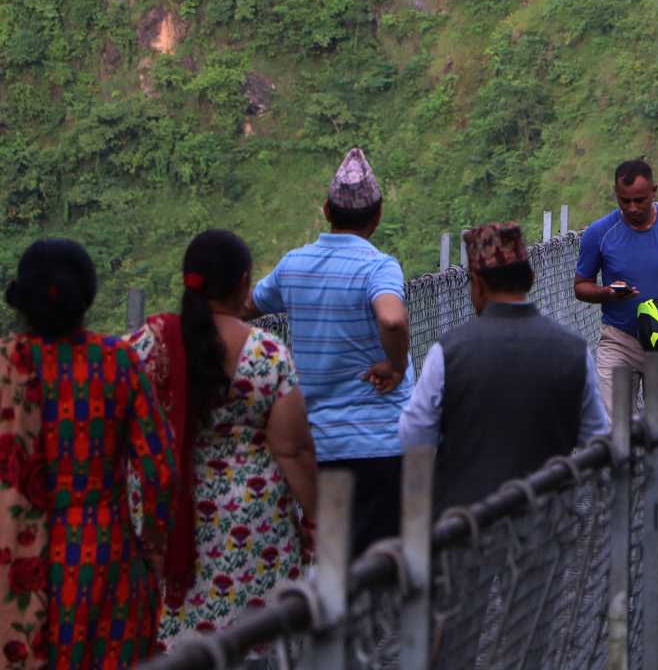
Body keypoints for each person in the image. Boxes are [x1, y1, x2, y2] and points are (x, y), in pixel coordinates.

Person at [127, 230, 317, 644]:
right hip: (249, 528)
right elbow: (292, 448)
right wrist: (318, 517)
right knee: (253, 645)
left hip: (163, 523)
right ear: (245, 282)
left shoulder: (141, 348)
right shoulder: (265, 353)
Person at [1, 239, 174, 667]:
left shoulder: (6, 364)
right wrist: (153, 544)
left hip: (13, 553)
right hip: (101, 554)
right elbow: (160, 469)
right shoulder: (116, 360)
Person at [250, 147, 412, 554]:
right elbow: (392, 319)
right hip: (383, 444)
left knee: (334, 567)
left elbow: (247, 305)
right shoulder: (379, 267)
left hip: (320, 446)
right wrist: (396, 362)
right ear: (376, 217)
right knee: (384, 565)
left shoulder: (292, 266)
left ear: (326, 209)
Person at [401, 223, 608, 511]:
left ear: (478, 283)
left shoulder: (448, 353)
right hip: (549, 523)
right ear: (531, 278)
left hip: (466, 528)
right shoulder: (573, 350)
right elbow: (598, 438)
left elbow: (414, 435)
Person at [575, 160, 658, 421]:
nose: (632, 208)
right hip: (619, 340)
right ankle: (622, 463)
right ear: (616, 194)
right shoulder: (599, 233)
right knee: (613, 427)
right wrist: (607, 293)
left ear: (655, 191)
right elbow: (581, 286)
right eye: (624, 201)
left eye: (639, 200)